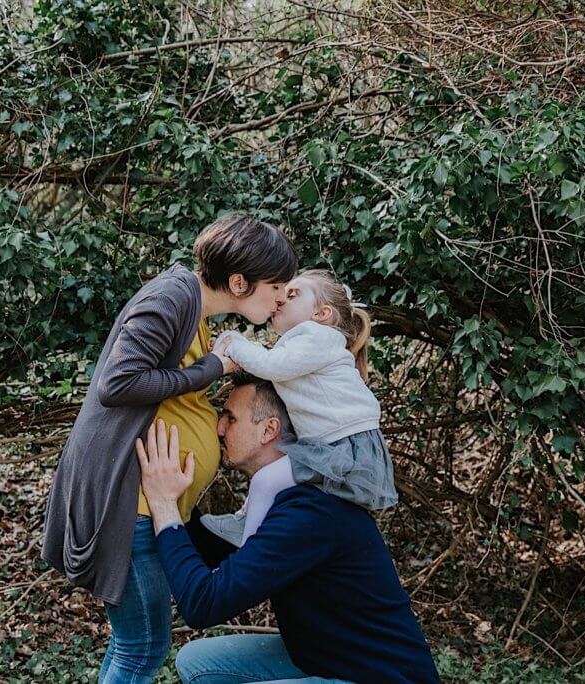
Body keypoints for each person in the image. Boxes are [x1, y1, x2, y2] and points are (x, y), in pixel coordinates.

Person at [40, 213, 297, 683]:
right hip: (131, 505)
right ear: (239, 281)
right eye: (276, 285)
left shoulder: (193, 311)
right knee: (144, 648)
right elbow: (118, 383)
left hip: (149, 505)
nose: (282, 296)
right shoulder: (173, 296)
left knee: (133, 645)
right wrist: (212, 368)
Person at [135, 375, 441, 684]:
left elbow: (204, 604)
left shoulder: (310, 513)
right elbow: (222, 557)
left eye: (230, 418)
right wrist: (174, 495)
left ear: (269, 430)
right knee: (197, 661)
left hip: (382, 678)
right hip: (325, 661)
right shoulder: (282, 499)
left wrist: (164, 505)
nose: (219, 428)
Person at [201, 269, 398, 547]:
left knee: (266, 481)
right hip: (332, 444)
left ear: (322, 313)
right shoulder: (305, 344)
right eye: (281, 292)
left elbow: (272, 366)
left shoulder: (318, 336)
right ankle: (250, 522)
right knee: (273, 482)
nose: (281, 298)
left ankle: (248, 541)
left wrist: (234, 342)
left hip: (344, 446)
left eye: (292, 294)